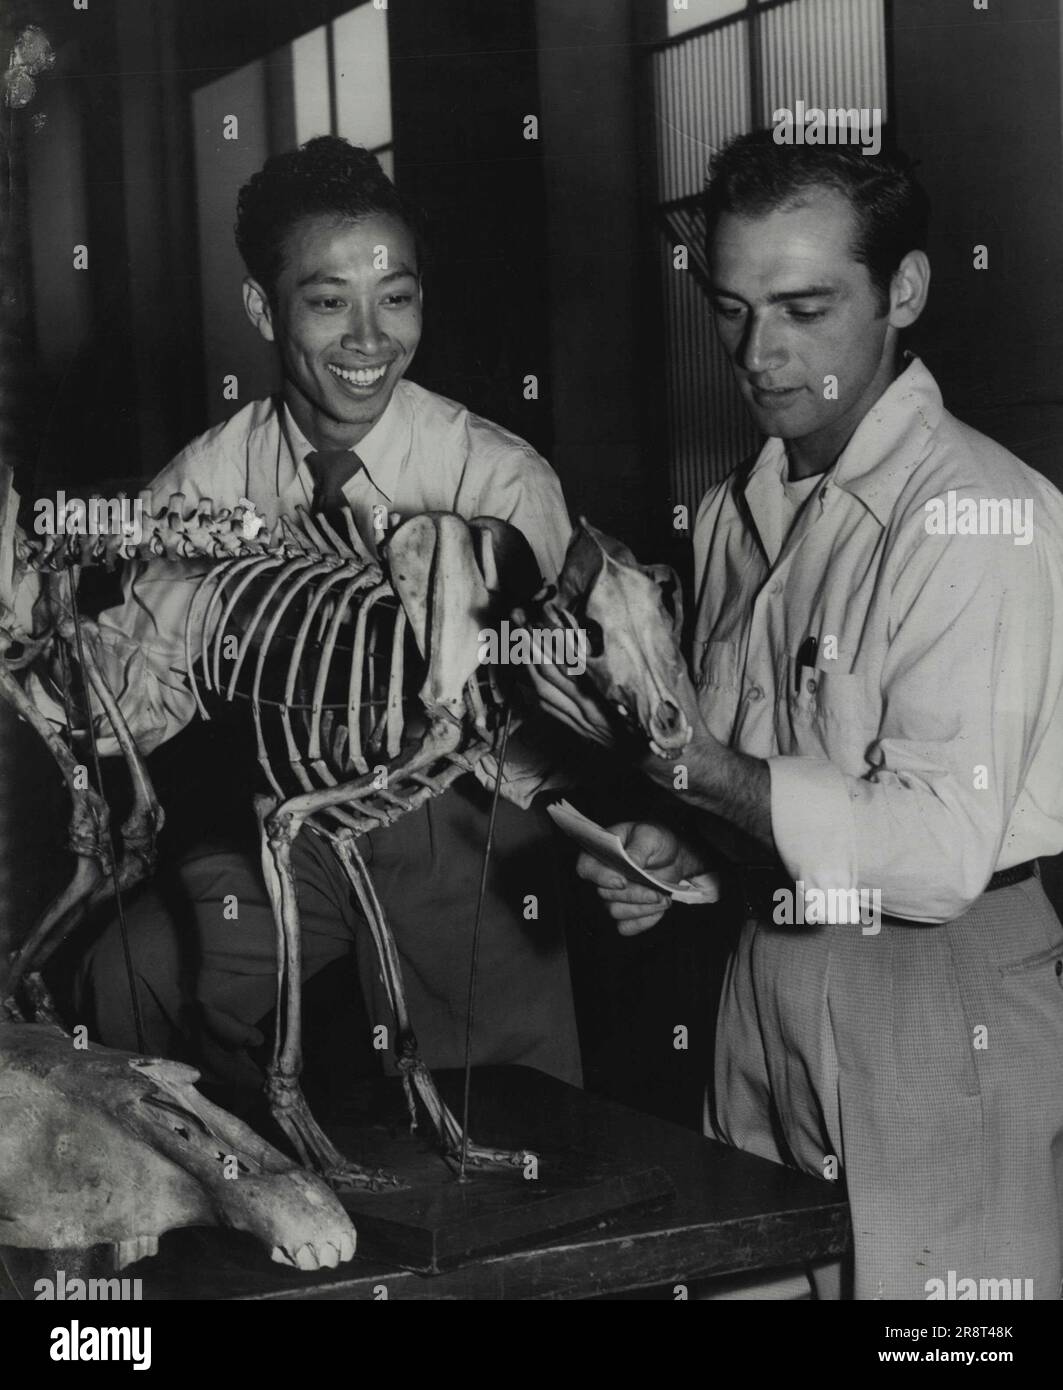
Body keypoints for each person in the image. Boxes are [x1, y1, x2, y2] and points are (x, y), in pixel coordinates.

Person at [530, 130, 1063, 1299]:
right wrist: (685, 853)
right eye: (732, 309)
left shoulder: (978, 516)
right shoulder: (735, 514)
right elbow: (769, 781)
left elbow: (931, 855)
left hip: (939, 999)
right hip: (763, 976)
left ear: (903, 291)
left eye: (805, 308)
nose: (760, 355)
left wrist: (700, 775)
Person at [55, 136, 581, 1110]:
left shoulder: (495, 479)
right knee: (131, 977)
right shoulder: (208, 480)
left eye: (398, 297)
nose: (369, 339)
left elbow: (558, 716)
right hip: (278, 819)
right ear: (263, 306)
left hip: (462, 820)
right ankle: (230, 1207)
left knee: (505, 1110)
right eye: (329, 300)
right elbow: (131, 696)